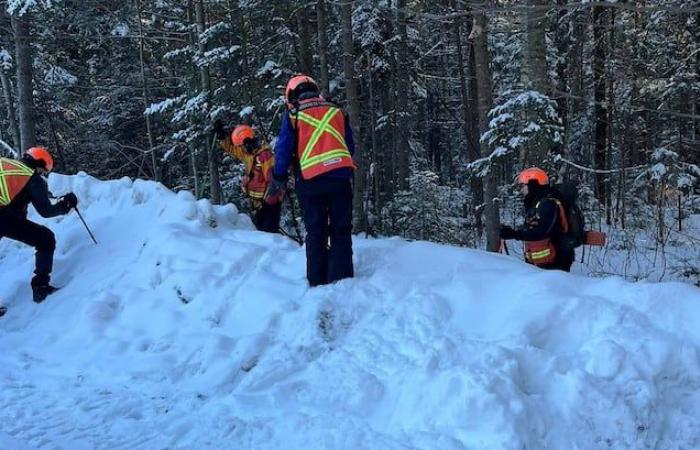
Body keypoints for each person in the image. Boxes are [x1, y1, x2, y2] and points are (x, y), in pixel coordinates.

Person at [267, 74, 356, 286]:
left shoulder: (293, 114)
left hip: (311, 181)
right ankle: (342, 278)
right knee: (340, 228)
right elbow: (349, 146)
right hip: (341, 178)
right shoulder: (336, 110)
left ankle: (317, 279)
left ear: (291, 94)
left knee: (316, 230)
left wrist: (279, 177)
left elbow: (284, 149)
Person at [0, 147, 78, 303]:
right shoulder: (32, 178)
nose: (42, 174)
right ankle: (40, 287)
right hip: (3, 218)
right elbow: (46, 211)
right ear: (39, 163)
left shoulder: (4, 163)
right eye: (43, 171)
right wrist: (66, 205)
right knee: (45, 239)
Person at [499, 167, 575, 272]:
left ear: (532, 184)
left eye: (523, 186)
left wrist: (514, 234)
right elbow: (534, 227)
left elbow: (541, 232)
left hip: (555, 262)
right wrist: (513, 232)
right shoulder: (537, 203)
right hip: (545, 261)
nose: (521, 190)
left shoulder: (548, 203)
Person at [213, 122, 281, 233]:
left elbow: (273, 181)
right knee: (262, 234)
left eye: (241, 146)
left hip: (269, 204)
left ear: (247, 143)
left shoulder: (264, 156)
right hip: (258, 204)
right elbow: (233, 150)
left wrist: (268, 201)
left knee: (270, 235)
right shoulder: (249, 154)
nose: (241, 149)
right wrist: (222, 137)